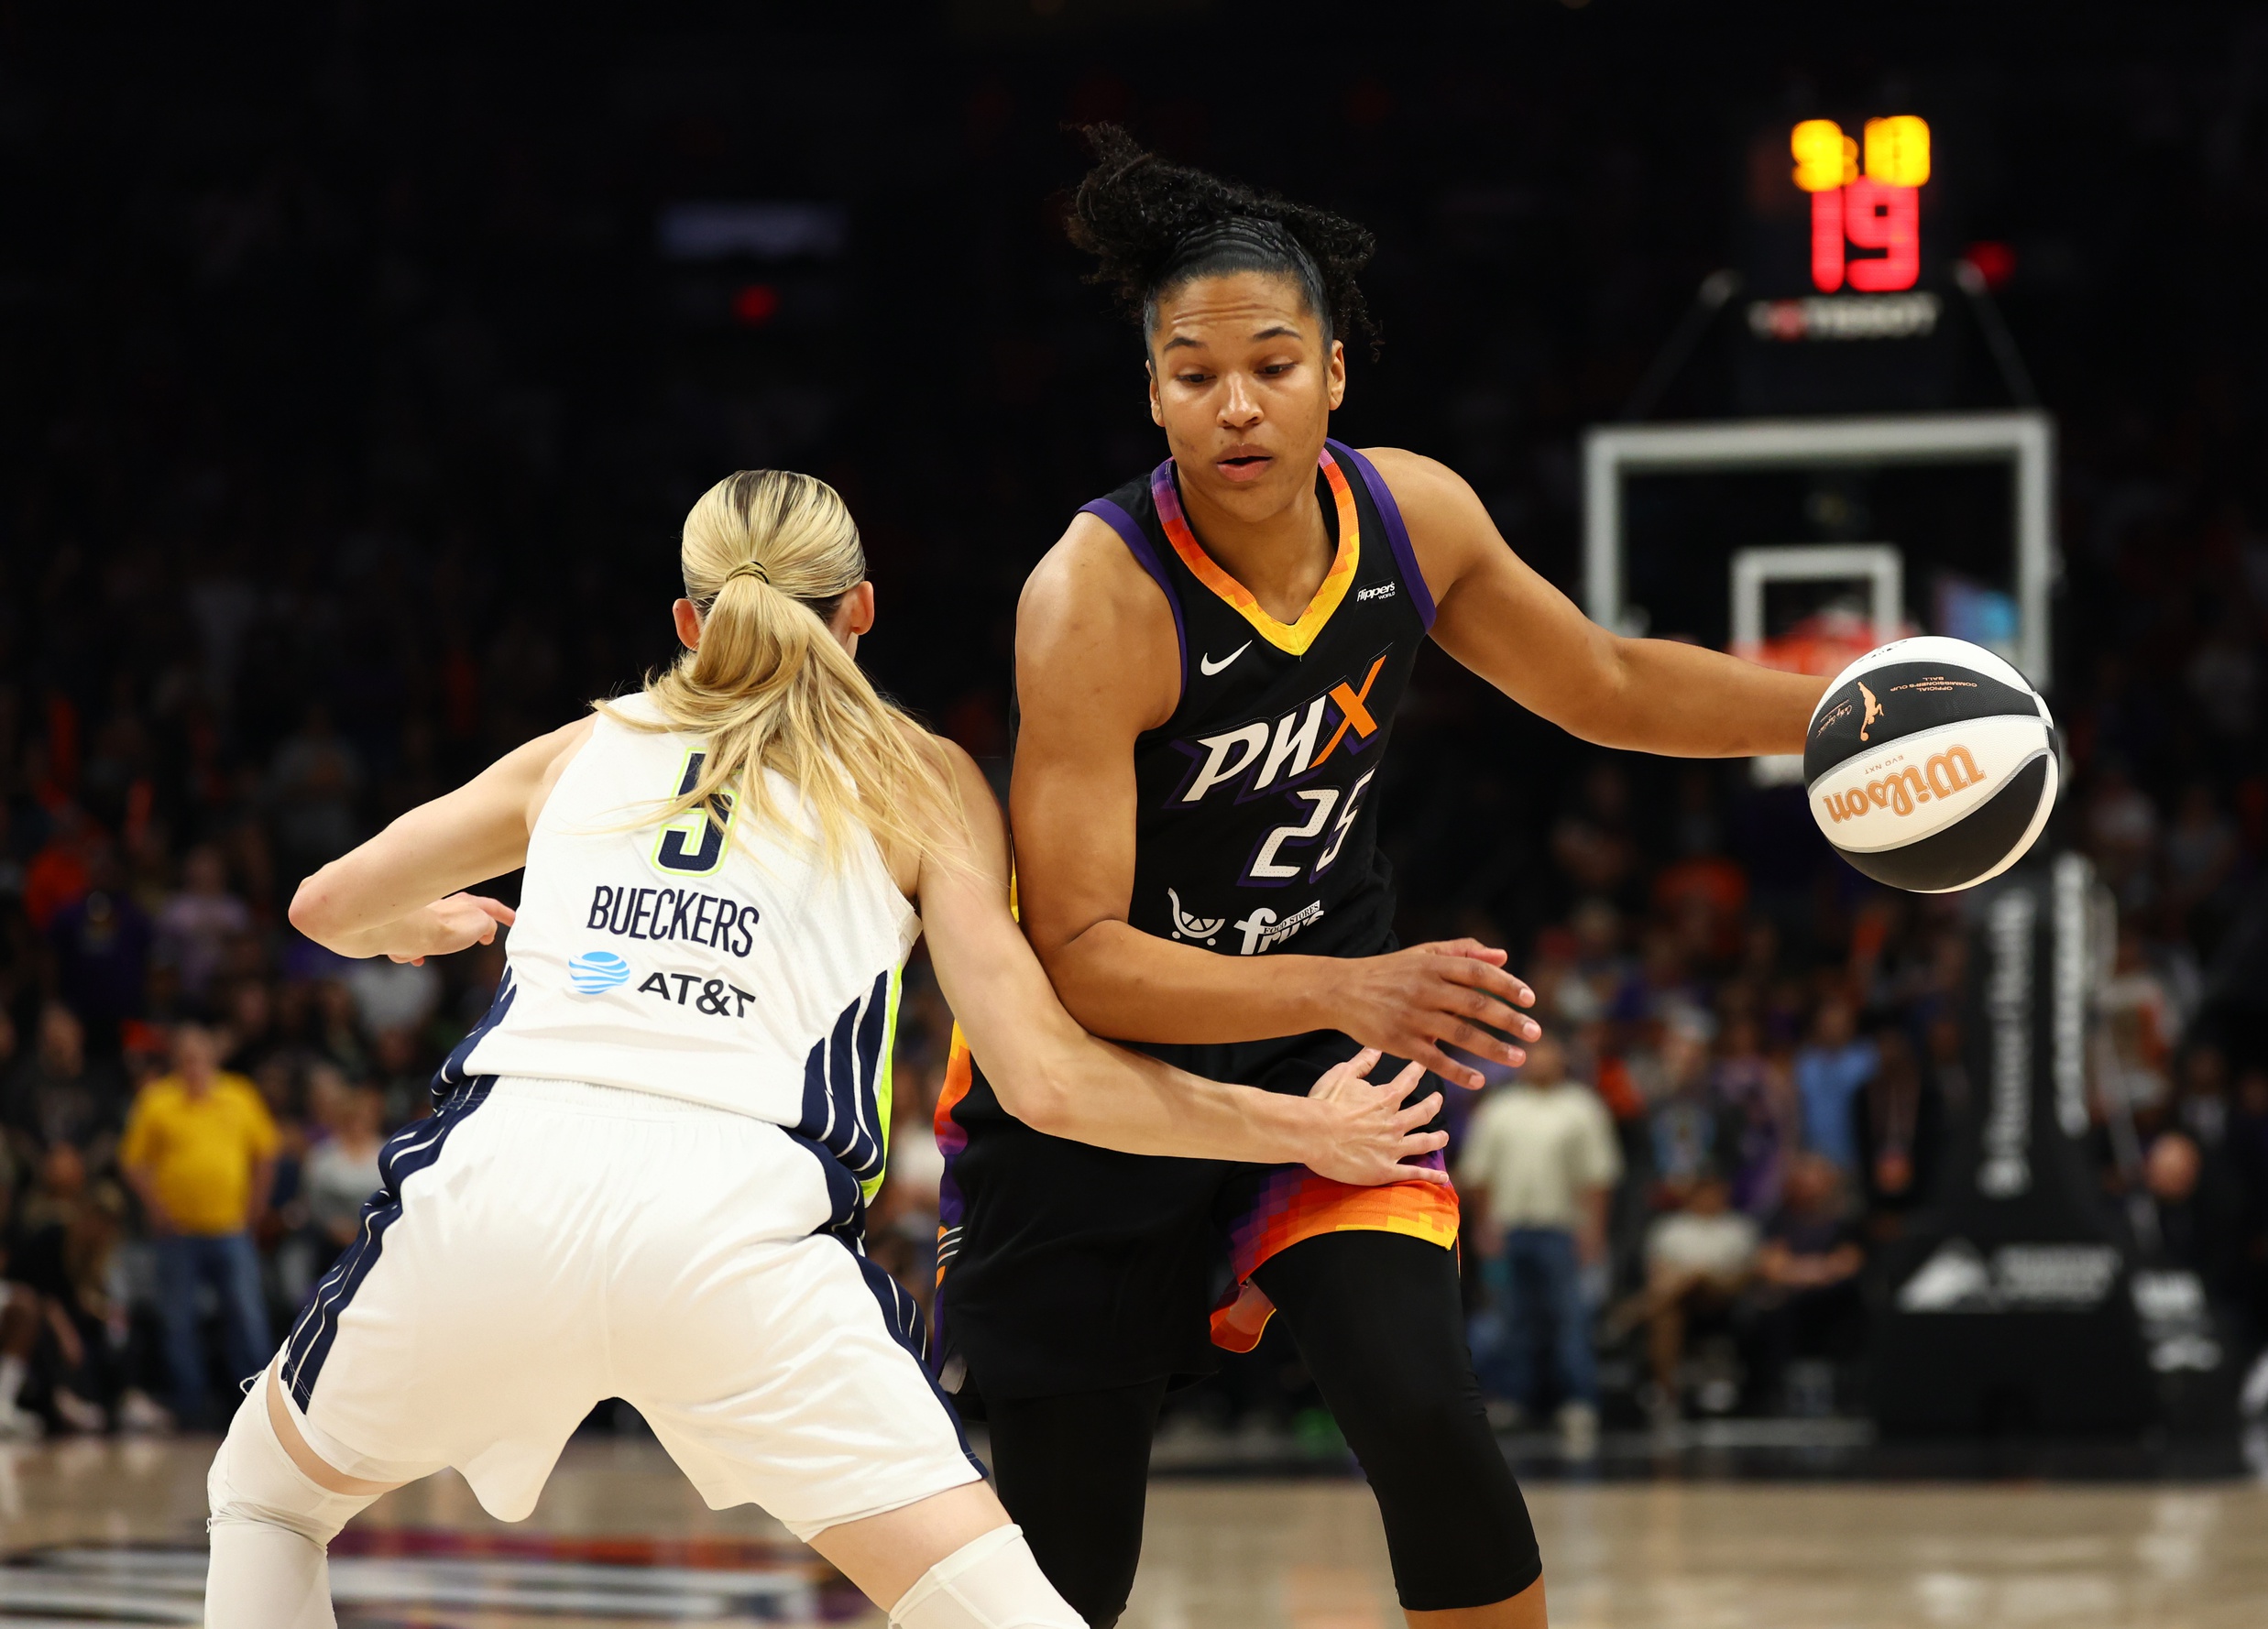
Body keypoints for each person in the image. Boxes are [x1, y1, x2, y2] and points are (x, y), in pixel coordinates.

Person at [211, 469, 1447, 1629]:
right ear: (860, 608)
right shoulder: (922, 779)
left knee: (266, 1499)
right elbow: (1046, 1080)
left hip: (494, 1191)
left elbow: (324, 904)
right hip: (735, 1233)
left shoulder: (584, 747)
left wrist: (409, 929)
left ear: (688, 621)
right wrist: (1301, 1126)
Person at [934, 127, 1829, 1629]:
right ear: (1150, 392)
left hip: (1322, 1049)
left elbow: (1606, 681)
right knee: (1069, 1562)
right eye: (1193, 374)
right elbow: (1079, 953)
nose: (1235, 404)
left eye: (1272, 365)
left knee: (1423, 1415)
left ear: (1335, 373)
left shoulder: (1413, 516)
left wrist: (1835, 711)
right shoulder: (1094, 597)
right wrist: (1352, 983)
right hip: (1102, 1083)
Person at [1453, 1036, 1620, 1457]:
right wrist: (1484, 1226)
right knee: (1511, 1319)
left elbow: (1598, 1178)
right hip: (1509, 1230)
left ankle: (1578, 1402)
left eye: (1549, 1055)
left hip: (1563, 1230)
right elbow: (1478, 1175)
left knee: (1570, 1320)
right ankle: (1515, 1399)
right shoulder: (1499, 1109)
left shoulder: (1582, 1108)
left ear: (1561, 1060)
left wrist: (1594, 1233)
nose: (1541, 1062)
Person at [119, 1018, 278, 1427]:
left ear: (212, 1057)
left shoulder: (239, 1094)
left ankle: (257, 1404)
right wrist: (155, 1207)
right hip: (178, 1232)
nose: (192, 1066)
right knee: (178, 1321)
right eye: (185, 1058)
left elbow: (266, 1153)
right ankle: (191, 1405)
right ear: (175, 1061)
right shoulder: (157, 1099)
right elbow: (134, 1161)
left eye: (198, 1057)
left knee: (247, 1315)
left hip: (231, 1227)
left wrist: (255, 1210)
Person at [1628, 1172, 1759, 1424]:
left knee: (1693, 1280)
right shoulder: (1670, 1228)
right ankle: (1667, 1390)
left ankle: (1629, 1315)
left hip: (1725, 1296)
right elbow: (1657, 1272)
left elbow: (1747, 1272)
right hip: (1680, 1301)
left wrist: (1700, 1275)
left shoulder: (1739, 1227)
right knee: (1667, 1315)